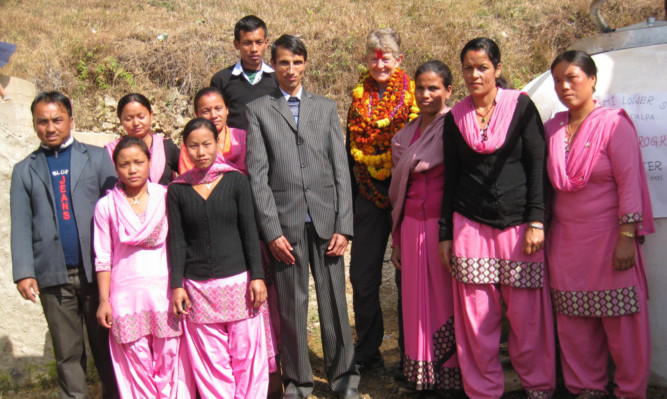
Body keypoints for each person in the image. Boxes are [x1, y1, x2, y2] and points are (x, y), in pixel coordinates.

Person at [437, 38, 556, 398]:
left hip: (520, 226)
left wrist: (537, 220)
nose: (475, 74)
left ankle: (538, 385)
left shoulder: (520, 106)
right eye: (468, 67)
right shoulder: (456, 117)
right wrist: (446, 233)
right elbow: (451, 178)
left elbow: (538, 166)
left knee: (526, 317)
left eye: (483, 67)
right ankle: (484, 390)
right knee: (477, 318)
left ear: (497, 69)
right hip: (470, 224)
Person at [245, 35, 360, 399]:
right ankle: (298, 383)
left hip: (327, 223)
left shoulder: (325, 108)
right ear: (272, 65)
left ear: (305, 63)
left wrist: (345, 225)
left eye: (296, 62)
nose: (290, 70)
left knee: (335, 306)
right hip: (286, 227)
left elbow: (341, 170)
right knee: (292, 310)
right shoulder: (259, 110)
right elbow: (258, 175)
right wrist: (271, 230)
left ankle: (345, 380)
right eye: (282, 63)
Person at [545, 50, 654, 399]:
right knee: (575, 322)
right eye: (558, 80)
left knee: (623, 322)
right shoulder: (551, 128)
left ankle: (629, 391)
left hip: (610, 241)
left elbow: (630, 184)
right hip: (565, 244)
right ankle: (585, 388)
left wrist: (627, 237)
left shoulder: (614, 124)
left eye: (572, 77)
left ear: (592, 80)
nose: (564, 86)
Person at [10, 91, 119, 399]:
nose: (50, 127)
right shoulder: (24, 170)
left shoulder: (97, 158)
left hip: (97, 274)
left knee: (108, 349)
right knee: (67, 354)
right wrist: (24, 272)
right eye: (42, 122)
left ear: (71, 120)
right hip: (53, 275)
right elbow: (20, 223)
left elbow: (115, 212)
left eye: (57, 119)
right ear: (34, 125)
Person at [168, 117, 269, 398]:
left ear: (217, 144)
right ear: (184, 149)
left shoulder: (236, 180)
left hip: (239, 283)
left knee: (246, 355)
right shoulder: (178, 189)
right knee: (212, 362)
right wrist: (178, 284)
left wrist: (257, 276)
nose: (200, 152)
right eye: (193, 146)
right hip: (198, 288)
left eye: (207, 144)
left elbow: (249, 231)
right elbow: (177, 239)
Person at [94, 136, 194, 398]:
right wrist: (104, 300)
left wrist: (179, 286)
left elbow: (180, 244)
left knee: (170, 359)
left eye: (139, 162)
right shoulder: (106, 206)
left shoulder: (166, 196)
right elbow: (103, 256)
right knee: (135, 367)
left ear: (151, 162)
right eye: (124, 164)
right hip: (126, 299)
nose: (132, 169)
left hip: (164, 292)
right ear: (115, 168)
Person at [346, 27, 418, 376]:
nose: (379, 64)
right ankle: (369, 349)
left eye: (386, 58)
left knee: (409, 277)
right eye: (374, 58)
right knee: (362, 276)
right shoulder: (358, 99)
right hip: (366, 194)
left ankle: (412, 354)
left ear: (398, 60)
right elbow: (350, 151)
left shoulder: (414, 96)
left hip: (408, 196)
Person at [388, 60, 462, 394]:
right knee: (415, 304)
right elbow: (399, 195)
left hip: (444, 230)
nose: (426, 94)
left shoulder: (458, 128)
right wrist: (398, 241)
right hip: (410, 228)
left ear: (448, 90)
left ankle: (450, 373)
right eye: (420, 87)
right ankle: (421, 375)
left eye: (434, 88)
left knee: (445, 300)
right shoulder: (404, 136)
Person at [210, 15, 278, 130]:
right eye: (247, 43)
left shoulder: (277, 79)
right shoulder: (222, 80)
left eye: (259, 42)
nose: (254, 49)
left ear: (266, 43)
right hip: (233, 147)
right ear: (237, 44)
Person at [106, 93, 180, 185]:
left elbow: (190, 175)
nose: (136, 123)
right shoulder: (110, 152)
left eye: (141, 117)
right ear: (120, 120)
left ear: (151, 115)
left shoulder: (166, 147)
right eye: (129, 119)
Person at [178, 86, 246, 174]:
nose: (214, 115)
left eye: (218, 109)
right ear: (197, 114)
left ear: (227, 109)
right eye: (206, 111)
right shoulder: (191, 146)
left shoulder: (242, 138)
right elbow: (188, 178)